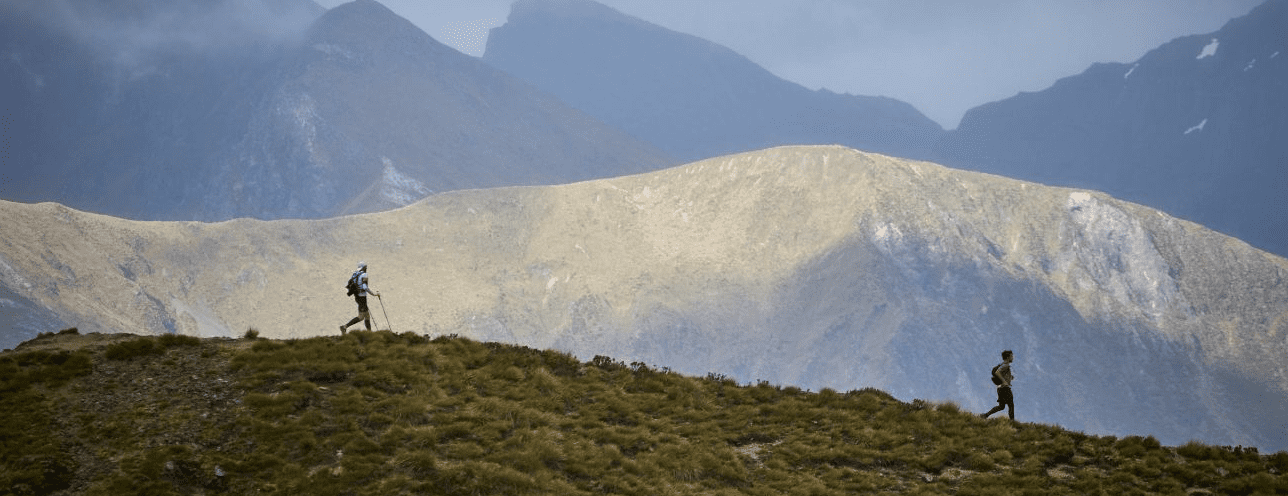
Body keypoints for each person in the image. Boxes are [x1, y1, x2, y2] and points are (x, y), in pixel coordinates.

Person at [340, 262, 380, 334]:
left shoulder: (355, 274)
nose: (366, 269)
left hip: (357, 297)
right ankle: (344, 327)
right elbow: (365, 287)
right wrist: (374, 294)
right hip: (362, 298)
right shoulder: (364, 274)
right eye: (365, 267)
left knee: (367, 315)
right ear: (364, 268)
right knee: (361, 317)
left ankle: (369, 333)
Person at [982, 350, 1015, 420]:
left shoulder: (1004, 365)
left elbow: (1000, 373)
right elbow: (997, 372)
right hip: (1005, 388)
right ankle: (1012, 422)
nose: (1013, 357)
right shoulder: (1005, 365)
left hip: (1000, 388)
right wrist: (1004, 381)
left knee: (1001, 406)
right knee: (1011, 405)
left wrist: (1009, 378)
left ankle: (985, 415)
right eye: (1011, 356)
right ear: (1007, 357)